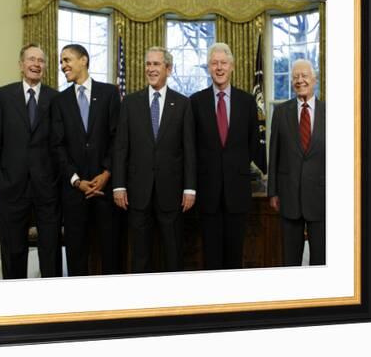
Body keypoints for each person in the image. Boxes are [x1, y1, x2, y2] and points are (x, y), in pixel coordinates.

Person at [112, 46, 196, 273]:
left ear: (168, 68)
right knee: (140, 254)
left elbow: (189, 149)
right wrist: (118, 185)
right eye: (148, 64)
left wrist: (190, 189)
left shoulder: (182, 103)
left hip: (172, 193)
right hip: (137, 192)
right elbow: (121, 147)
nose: (151, 69)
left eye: (156, 64)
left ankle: (173, 303)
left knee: (173, 252)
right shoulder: (130, 103)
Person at [0, 43, 60, 279]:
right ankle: (15, 303)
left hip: (46, 190)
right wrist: (0, 182)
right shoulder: (3, 96)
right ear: (21, 65)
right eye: (31, 59)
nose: (36, 64)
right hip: (11, 190)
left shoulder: (56, 99)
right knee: (13, 252)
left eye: (40, 61)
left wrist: (55, 181)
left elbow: (61, 146)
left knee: (50, 253)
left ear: (45, 67)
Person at [51, 44, 122, 276]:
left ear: (84, 60)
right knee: (76, 255)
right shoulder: (59, 101)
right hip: (74, 193)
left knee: (111, 253)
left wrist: (106, 173)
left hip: (105, 190)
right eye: (62, 62)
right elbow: (57, 145)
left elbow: (117, 139)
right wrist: (76, 180)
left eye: (67, 60)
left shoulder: (110, 93)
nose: (63, 66)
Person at [190, 42, 259, 270]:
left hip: (237, 192)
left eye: (224, 63)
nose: (219, 67)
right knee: (211, 257)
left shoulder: (247, 101)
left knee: (234, 256)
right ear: (208, 67)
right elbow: (191, 147)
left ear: (232, 67)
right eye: (214, 63)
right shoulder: (195, 102)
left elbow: (253, 145)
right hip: (207, 193)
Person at [268, 59, 326, 266]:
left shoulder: (330, 112)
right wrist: (272, 191)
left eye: (304, 76)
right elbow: (274, 153)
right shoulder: (281, 112)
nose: (300, 80)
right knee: (290, 260)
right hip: (289, 196)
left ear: (314, 79)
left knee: (321, 260)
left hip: (321, 198)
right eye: (295, 77)